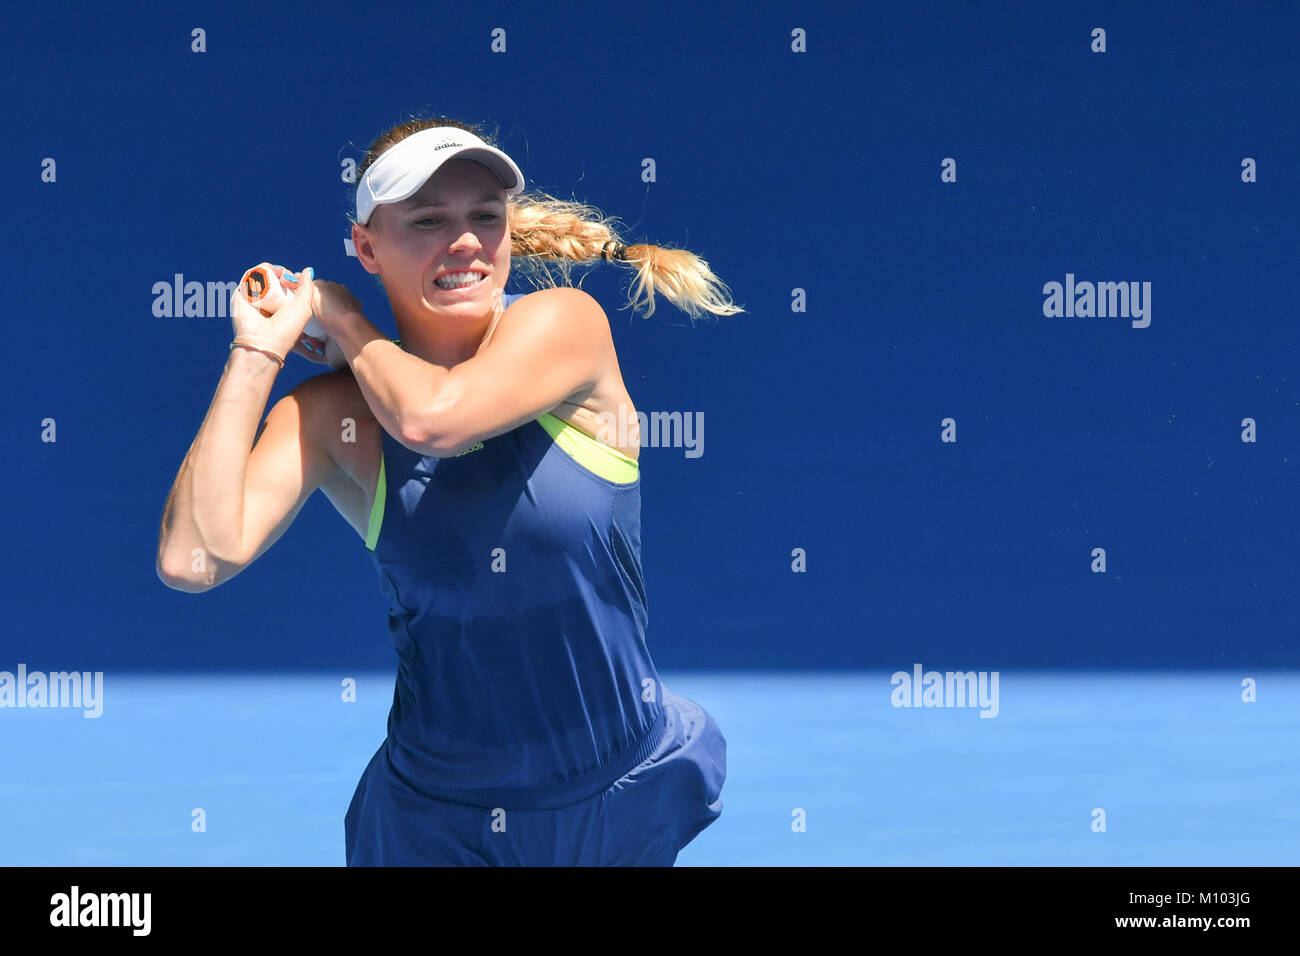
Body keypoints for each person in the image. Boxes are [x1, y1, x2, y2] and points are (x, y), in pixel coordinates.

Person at [156, 115, 744, 865]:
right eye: (428, 220)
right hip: (437, 826)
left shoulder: (566, 325)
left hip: (616, 800)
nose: (463, 240)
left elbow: (434, 419)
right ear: (366, 246)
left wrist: (342, 317)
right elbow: (195, 558)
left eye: (484, 218)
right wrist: (256, 352)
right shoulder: (336, 416)